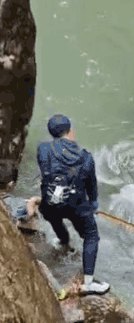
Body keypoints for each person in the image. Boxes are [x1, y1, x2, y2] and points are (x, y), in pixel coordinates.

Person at [37, 114, 109, 294]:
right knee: (91, 236)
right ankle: (89, 283)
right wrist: (93, 205)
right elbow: (91, 188)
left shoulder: (43, 149)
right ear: (70, 132)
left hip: (51, 204)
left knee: (52, 213)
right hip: (77, 206)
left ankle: (63, 241)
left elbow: (48, 171)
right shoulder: (86, 158)